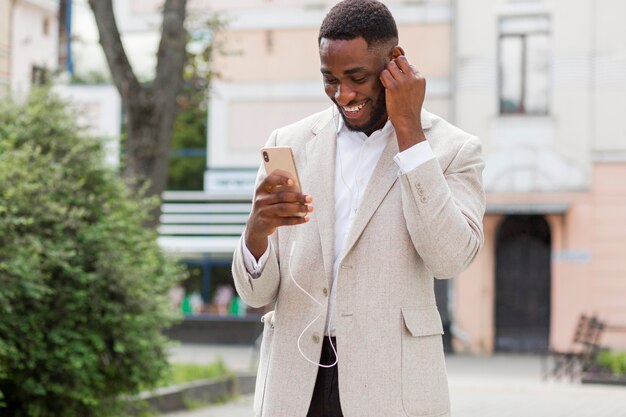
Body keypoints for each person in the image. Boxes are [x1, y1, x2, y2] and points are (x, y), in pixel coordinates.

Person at [231, 1, 485, 416]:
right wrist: (256, 232)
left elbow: (450, 259)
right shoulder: (289, 143)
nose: (343, 94)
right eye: (329, 79)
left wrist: (410, 134)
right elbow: (254, 293)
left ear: (394, 63)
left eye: (357, 77)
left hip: (391, 390)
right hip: (294, 387)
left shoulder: (452, 150)